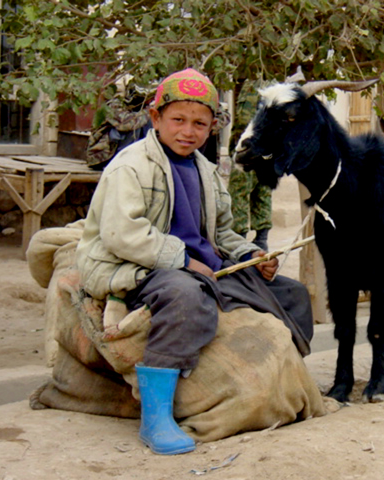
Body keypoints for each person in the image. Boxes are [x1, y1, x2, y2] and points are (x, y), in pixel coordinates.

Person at [75, 68, 313, 456]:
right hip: (137, 265)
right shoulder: (131, 165)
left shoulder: (206, 170)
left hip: (202, 266)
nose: (189, 131)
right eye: (178, 120)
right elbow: (123, 234)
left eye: (200, 123)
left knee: (292, 294)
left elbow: (221, 234)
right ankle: (156, 418)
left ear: (211, 127)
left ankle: (287, 378)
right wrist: (183, 260)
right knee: (187, 299)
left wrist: (249, 255)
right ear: (156, 118)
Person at [227, 81, 273, 251]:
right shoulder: (256, 84)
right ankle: (260, 239)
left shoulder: (259, 86)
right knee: (262, 191)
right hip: (260, 149)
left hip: (251, 148)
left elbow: (244, 122)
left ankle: (240, 240)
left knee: (239, 192)